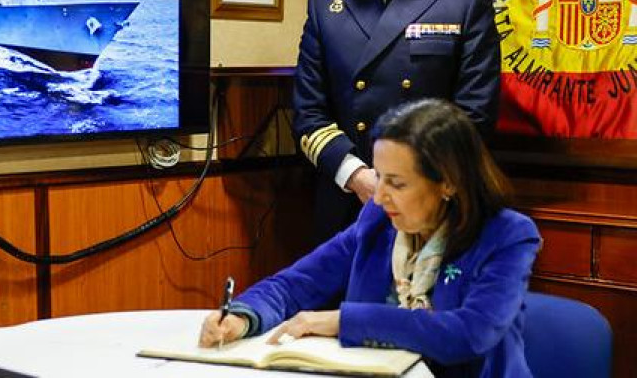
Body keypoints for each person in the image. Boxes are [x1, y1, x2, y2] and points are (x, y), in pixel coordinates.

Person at [199, 99, 539, 378]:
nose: (379, 196)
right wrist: (243, 317)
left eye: (397, 183)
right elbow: (295, 285)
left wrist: (343, 321)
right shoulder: (379, 220)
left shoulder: (507, 235)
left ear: (448, 182)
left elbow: (468, 333)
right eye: (380, 177)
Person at [294, 0, 500, 244]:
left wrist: (404, 182)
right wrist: (359, 177)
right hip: (348, 203)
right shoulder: (326, 6)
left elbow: (475, 115)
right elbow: (309, 114)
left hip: (434, 202)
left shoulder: (465, 1)